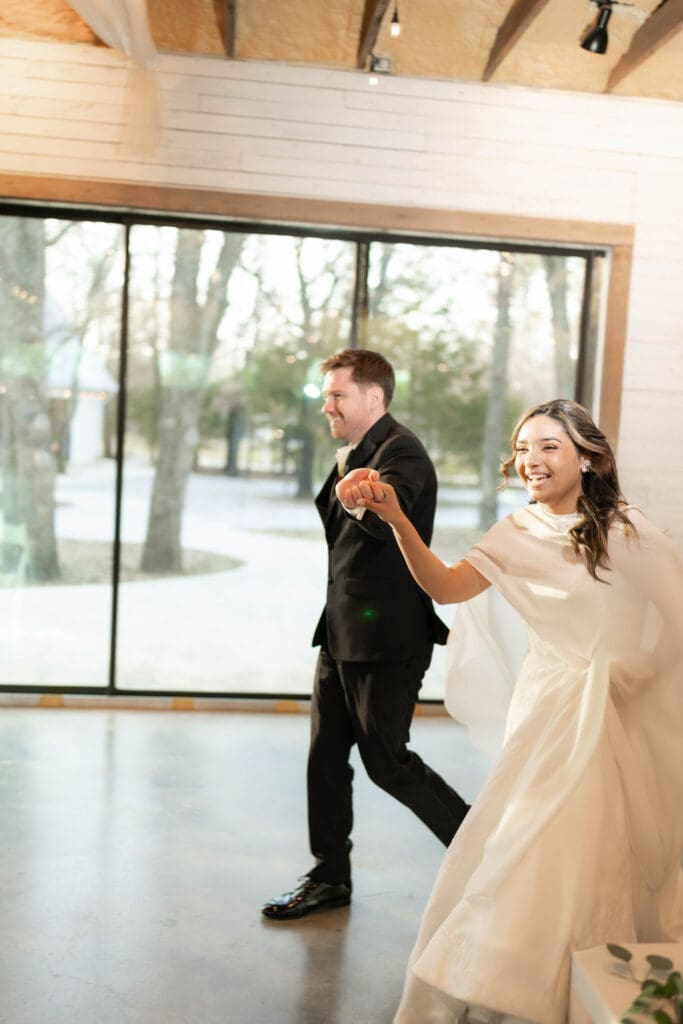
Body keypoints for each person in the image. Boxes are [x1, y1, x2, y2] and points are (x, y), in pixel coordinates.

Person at [338, 398, 683, 1024]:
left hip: (610, 712)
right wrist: (394, 519)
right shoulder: (517, 530)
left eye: (549, 446)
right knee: (525, 846)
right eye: (523, 448)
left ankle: (581, 987)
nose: (532, 461)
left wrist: (648, 668)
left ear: (589, 458)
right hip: (548, 710)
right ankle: (515, 984)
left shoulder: (623, 529)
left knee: (593, 852)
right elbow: (447, 586)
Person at [262, 348, 470, 921]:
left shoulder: (402, 452)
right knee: (324, 759)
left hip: (387, 639)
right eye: (326, 394)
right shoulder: (359, 449)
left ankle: (481, 852)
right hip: (339, 632)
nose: (326, 404)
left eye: (337, 395)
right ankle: (330, 874)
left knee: (387, 762)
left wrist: (364, 496)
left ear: (373, 397)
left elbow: (387, 513)